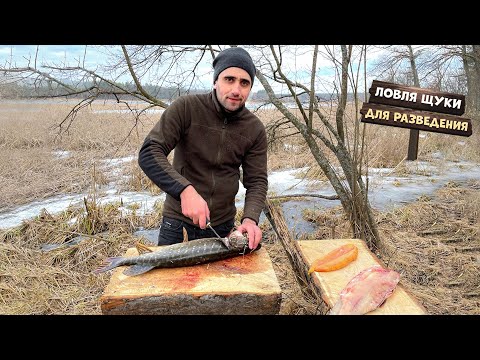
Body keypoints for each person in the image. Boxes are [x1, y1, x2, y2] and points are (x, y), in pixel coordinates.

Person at [138, 47, 268, 250]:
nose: (236, 89)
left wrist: (250, 220)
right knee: (170, 282)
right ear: (216, 81)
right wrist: (184, 191)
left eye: (244, 83)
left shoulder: (255, 129)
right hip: (178, 224)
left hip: (223, 228)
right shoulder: (186, 108)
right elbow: (149, 151)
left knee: (219, 282)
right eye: (229, 79)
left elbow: (257, 181)